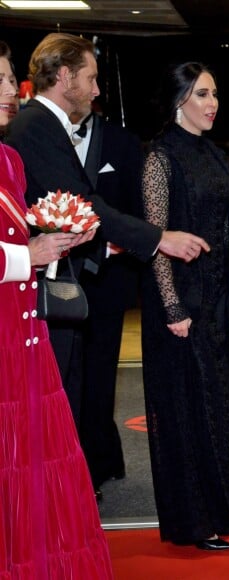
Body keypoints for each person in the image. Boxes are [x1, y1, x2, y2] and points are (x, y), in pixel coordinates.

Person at [4, 33, 207, 437]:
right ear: (64, 77)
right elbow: (84, 204)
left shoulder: (43, 126)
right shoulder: (35, 126)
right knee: (53, 404)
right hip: (35, 289)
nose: (97, 90)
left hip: (64, 283)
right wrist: (158, 238)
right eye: (91, 78)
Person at [140, 61, 229, 551]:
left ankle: (225, 507)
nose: (212, 103)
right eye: (202, 94)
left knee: (225, 402)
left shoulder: (213, 154)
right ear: (180, 101)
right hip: (181, 304)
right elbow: (156, 240)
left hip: (217, 301)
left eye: (215, 93)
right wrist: (172, 307)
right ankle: (195, 521)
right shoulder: (159, 159)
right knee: (188, 408)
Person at [0, 40, 113, 579]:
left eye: (8, 78)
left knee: (34, 456)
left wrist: (57, 238)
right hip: (6, 325)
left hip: (25, 327)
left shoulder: (9, 158)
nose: (9, 91)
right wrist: (30, 255)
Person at [69, 106, 144, 499]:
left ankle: (96, 465)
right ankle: (90, 457)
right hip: (57, 277)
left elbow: (138, 210)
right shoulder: (40, 138)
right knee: (67, 377)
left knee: (98, 377)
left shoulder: (124, 143)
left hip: (108, 280)